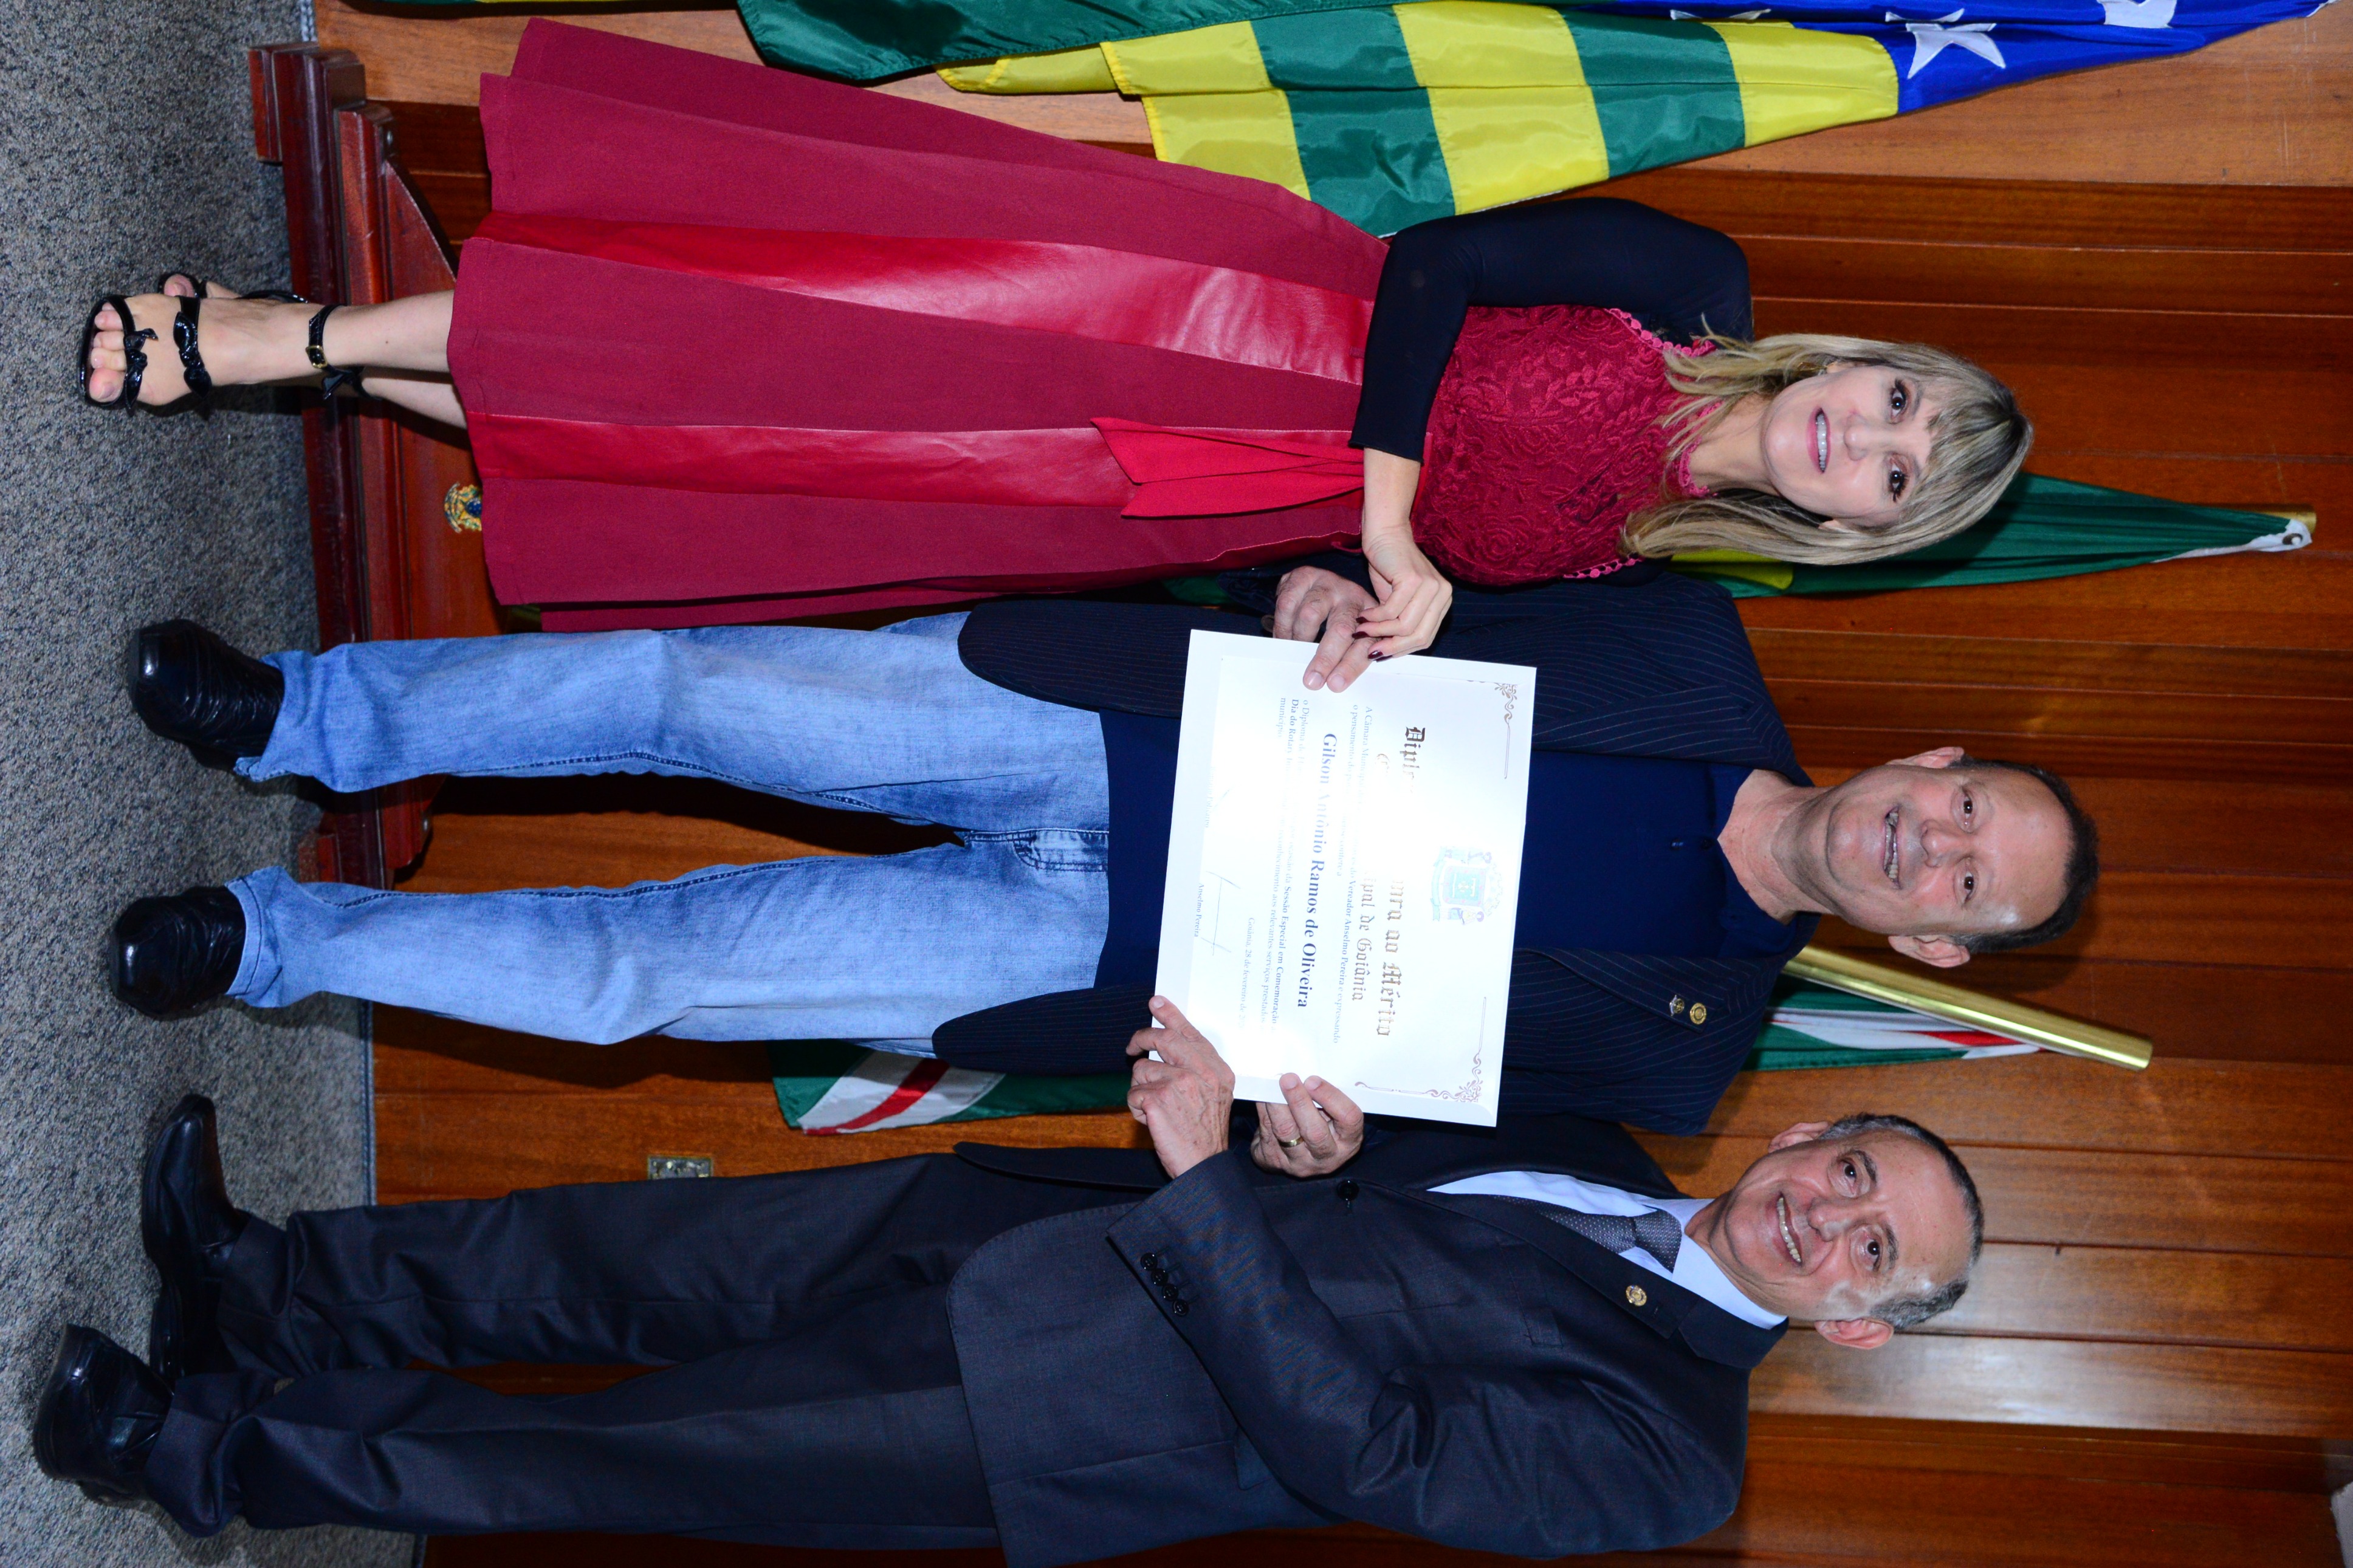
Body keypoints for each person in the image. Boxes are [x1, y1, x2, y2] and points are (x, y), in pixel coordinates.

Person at [78, 22, 2028, 657]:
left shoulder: (1656, 567)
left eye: (1890, 474)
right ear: (1865, 364)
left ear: (1861, 528)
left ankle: (335, 358)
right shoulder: (1698, 289)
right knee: (774, 333)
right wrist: (1395, 517)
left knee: (761, 454)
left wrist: (1331, 596)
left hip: (1178, 500)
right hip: (1199, 313)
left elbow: (1385, 567)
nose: (1858, 438)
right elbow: (1437, 269)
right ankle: (284, 334)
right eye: (1892, 404)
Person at [111, 560, 2097, 1134]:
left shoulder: (1682, 1059)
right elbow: (1413, 569)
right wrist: (1316, 584)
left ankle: (270, 946)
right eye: (1964, 806)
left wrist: (1311, 1145)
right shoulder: (1687, 642)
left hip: (1086, 979)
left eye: (1964, 883)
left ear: (1936, 953)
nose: (1930, 842)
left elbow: (1401, 1138)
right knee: (688, 689)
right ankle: (301, 717)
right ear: (1931, 756)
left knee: (661, 974)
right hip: (1100, 715)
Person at [35, 1016, 1984, 1554]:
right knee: (637, 1257)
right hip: (1046, 1219)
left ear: (1856, 1325)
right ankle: (271, 1286)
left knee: (619, 1452)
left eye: (1872, 1251)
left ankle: (204, 1455)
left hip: (1045, 1419)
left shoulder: (1674, 1462)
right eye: (1853, 1171)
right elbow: (1363, 1178)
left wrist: (1212, 1186)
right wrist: (1305, 1147)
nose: (1829, 1216)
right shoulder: (1610, 1150)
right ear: (1816, 1132)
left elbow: (1373, 1453)